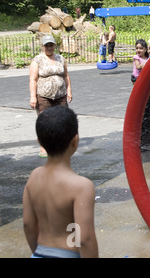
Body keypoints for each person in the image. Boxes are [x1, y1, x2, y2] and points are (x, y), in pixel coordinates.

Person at [22, 106, 98, 258]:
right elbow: (85, 239)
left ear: (40, 142)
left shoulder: (34, 177)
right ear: (75, 141)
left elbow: (28, 224)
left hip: (39, 253)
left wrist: (37, 252)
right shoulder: (81, 186)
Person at [29, 35, 72, 158]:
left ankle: (62, 146)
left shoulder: (60, 58)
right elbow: (33, 79)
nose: (49, 47)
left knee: (63, 120)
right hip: (43, 95)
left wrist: (69, 90)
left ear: (54, 45)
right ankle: (44, 147)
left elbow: (65, 76)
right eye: (46, 45)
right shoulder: (37, 60)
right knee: (45, 122)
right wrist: (33, 96)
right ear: (42, 46)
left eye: (51, 45)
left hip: (60, 95)